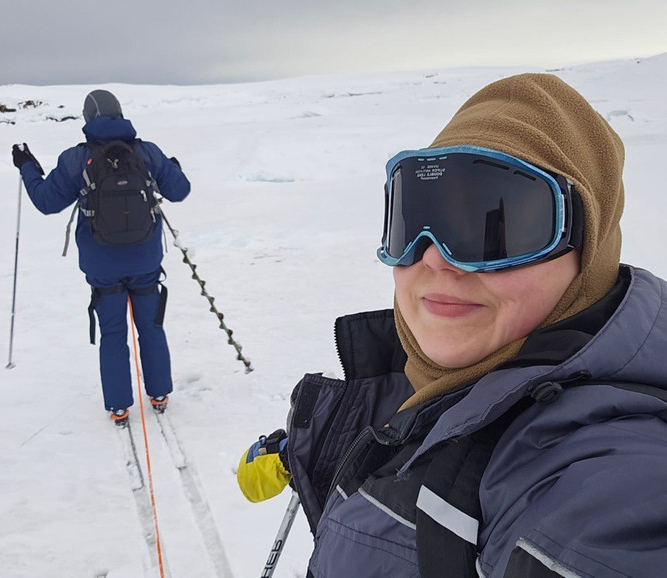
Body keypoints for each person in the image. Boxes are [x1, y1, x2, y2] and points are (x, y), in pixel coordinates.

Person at [236, 73, 667, 577]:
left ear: (587, 252)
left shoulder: (604, 482)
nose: (437, 259)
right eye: (417, 222)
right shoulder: (432, 380)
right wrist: (313, 448)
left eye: (495, 229)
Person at [12, 89, 190, 423]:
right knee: (151, 326)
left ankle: (119, 406)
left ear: (87, 119)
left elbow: (47, 203)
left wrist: (27, 167)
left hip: (102, 265)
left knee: (113, 332)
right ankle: (159, 393)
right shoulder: (147, 152)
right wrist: (173, 168)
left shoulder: (76, 159)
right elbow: (180, 190)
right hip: (145, 260)